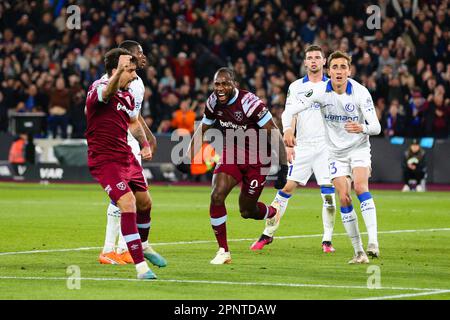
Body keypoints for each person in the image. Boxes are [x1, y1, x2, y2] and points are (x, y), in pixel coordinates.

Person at [282, 51, 381, 264]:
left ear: (349, 71)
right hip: (335, 153)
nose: (339, 71)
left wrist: (361, 127)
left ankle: (373, 241)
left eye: (343, 67)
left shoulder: (360, 92)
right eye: (335, 67)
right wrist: (288, 129)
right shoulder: (319, 92)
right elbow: (290, 110)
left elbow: (376, 127)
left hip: (359, 148)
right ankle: (359, 252)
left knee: (361, 188)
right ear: (329, 70)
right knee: (344, 197)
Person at [181, 67, 288, 264]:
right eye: (217, 84)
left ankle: (272, 213)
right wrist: (188, 157)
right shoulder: (213, 101)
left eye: (225, 84)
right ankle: (223, 251)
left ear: (234, 85)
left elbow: (273, 132)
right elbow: (203, 128)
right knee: (216, 195)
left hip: (258, 159)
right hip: (232, 154)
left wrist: (283, 166)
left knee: (247, 211)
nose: (220, 88)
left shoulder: (250, 103)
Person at [251, 45, 337, 253]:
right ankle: (267, 234)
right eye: (310, 58)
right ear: (305, 62)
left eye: (318, 57)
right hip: (304, 146)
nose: (314, 60)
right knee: (286, 188)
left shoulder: (334, 85)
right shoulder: (296, 86)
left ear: (324, 61)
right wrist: (288, 132)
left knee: (328, 194)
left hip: (327, 147)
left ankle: (327, 240)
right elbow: (290, 112)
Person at [85, 48, 161, 279]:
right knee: (127, 203)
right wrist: (119, 72)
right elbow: (107, 92)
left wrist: (145, 144)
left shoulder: (128, 95)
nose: (135, 76)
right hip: (105, 160)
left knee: (145, 203)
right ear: (115, 70)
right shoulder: (98, 89)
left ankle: (144, 245)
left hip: (126, 156)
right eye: (130, 71)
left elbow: (134, 122)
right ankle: (140, 268)